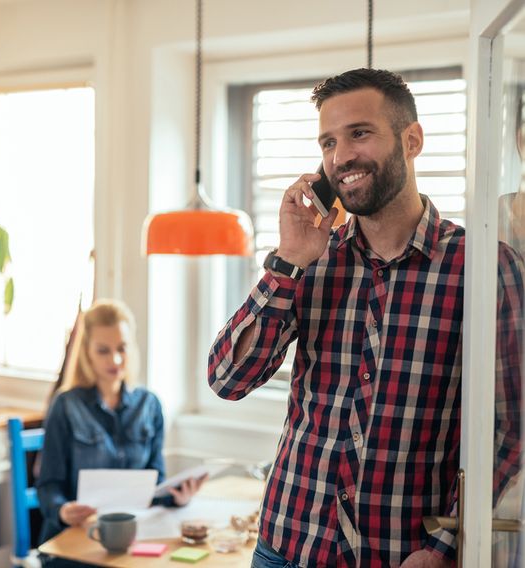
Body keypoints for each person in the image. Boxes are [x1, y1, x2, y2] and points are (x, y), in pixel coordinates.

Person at [208, 68, 523, 568]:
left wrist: (446, 545)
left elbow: (511, 429)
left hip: (400, 556)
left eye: (360, 133)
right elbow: (227, 379)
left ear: (412, 139)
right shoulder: (310, 260)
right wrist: (288, 263)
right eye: (328, 142)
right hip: (287, 547)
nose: (340, 158)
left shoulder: (484, 264)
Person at [37, 299, 206, 563]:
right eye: (103, 350)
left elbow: (154, 485)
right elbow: (48, 486)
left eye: (122, 348)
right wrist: (61, 510)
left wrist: (178, 498)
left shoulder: (149, 405)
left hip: (131, 539)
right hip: (76, 541)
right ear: (87, 352)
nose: (115, 359)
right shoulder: (66, 405)